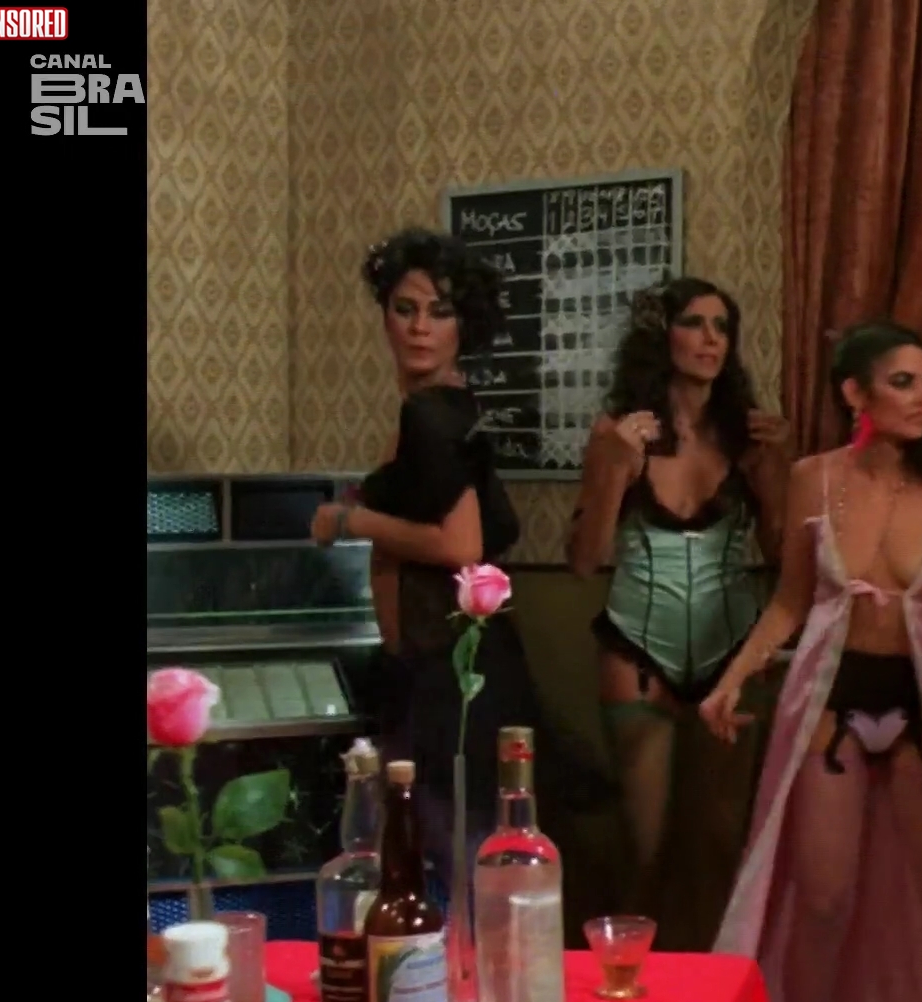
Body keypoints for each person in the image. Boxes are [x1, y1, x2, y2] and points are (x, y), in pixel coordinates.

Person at [704, 320, 922, 1002]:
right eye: (903, 382)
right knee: (823, 900)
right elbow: (789, 601)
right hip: (833, 699)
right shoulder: (814, 478)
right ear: (855, 392)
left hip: (921, 702)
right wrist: (734, 677)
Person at [311, 227, 586, 882]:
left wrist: (350, 519)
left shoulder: (431, 416)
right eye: (405, 309)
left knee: (459, 853)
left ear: (465, 325)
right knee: (453, 849)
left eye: (439, 312)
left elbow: (462, 546)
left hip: (449, 668)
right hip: (441, 662)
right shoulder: (444, 407)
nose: (418, 327)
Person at [566, 278, 790, 910]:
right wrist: (616, 469)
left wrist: (777, 472)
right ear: (661, 336)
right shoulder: (617, 433)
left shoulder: (748, 437)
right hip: (636, 652)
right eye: (694, 323)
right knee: (646, 850)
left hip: (733, 652)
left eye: (722, 327)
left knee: (720, 844)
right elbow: (584, 562)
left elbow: (783, 559)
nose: (710, 339)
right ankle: (638, 970)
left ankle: (713, 969)